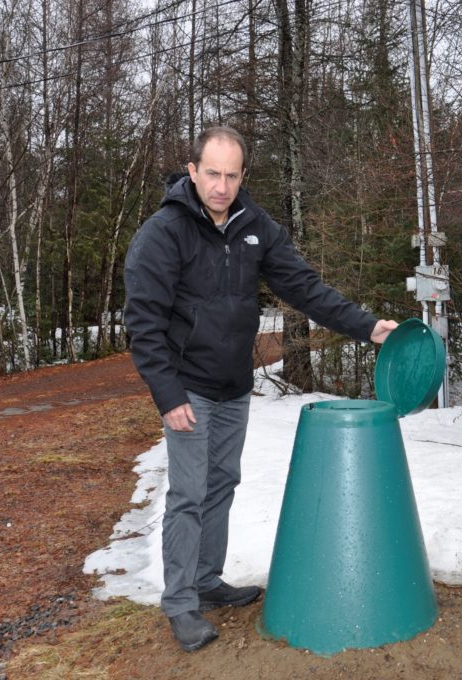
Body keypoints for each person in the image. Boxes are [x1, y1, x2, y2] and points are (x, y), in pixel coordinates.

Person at [123, 126, 397, 653]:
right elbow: (144, 322)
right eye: (212, 174)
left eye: (231, 175)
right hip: (188, 388)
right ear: (192, 170)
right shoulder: (163, 233)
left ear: (242, 175)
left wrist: (368, 326)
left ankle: (207, 580)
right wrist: (168, 394)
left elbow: (305, 288)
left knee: (222, 484)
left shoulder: (255, 228)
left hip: (232, 387)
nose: (221, 186)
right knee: (188, 494)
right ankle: (180, 604)